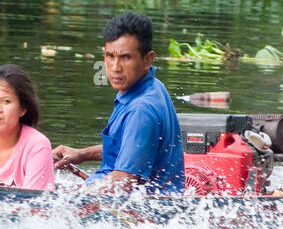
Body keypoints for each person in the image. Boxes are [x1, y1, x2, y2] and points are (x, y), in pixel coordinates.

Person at [51, 12, 185, 193]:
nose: (115, 67)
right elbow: (131, 146)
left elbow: (124, 181)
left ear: (148, 59)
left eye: (125, 57)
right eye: (110, 56)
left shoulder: (141, 109)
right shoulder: (151, 86)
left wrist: (70, 198)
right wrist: (82, 154)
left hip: (141, 213)